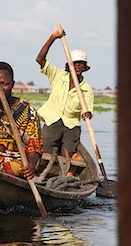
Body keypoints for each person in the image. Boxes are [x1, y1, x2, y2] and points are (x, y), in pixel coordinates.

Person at [36, 29, 94, 176]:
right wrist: (53, 37)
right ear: (69, 64)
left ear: (85, 67)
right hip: (52, 120)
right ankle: (39, 174)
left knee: (69, 155)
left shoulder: (86, 89)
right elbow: (40, 59)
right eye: (75, 63)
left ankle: (68, 176)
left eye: (81, 63)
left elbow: (87, 111)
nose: (78, 66)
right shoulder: (58, 76)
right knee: (43, 153)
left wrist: (87, 114)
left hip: (71, 125)